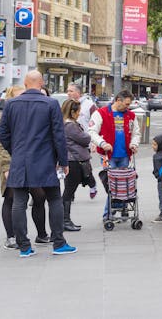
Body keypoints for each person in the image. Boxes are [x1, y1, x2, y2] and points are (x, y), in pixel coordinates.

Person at [0, 70, 77, 257]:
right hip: (44, 160)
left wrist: (15, 152)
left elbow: (3, 134)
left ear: (25, 84)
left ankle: (24, 247)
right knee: (54, 199)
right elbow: (59, 136)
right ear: (41, 83)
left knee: (19, 202)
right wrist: (63, 161)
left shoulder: (10, 104)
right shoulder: (50, 104)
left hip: (19, 160)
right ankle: (58, 243)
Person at [88, 90, 141, 220]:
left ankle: (121, 209)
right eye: (126, 104)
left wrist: (134, 144)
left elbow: (136, 133)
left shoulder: (131, 116)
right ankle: (109, 213)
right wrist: (102, 143)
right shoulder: (100, 113)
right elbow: (92, 131)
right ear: (118, 100)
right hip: (108, 156)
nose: (128, 107)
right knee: (112, 185)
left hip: (125, 155)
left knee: (124, 184)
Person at [0, 85, 25, 249]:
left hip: (22, 163)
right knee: (10, 197)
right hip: (10, 164)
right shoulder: (5, 117)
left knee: (19, 200)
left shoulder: (22, 114)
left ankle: (20, 234)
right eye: (18, 96)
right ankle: (10, 236)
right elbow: (1, 145)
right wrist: (7, 168)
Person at [61, 99, 97, 232]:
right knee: (68, 192)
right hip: (74, 160)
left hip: (73, 159)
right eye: (78, 112)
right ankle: (64, 220)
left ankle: (64, 220)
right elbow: (85, 138)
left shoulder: (67, 124)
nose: (80, 114)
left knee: (69, 191)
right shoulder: (70, 126)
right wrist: (86, 135)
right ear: (72, 112)